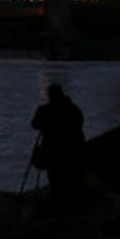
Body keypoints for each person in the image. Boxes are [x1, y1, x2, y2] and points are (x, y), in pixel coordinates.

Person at [31, 82, 87, 212]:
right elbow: (79, 123)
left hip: (54, 151)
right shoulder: (73, 109)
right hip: (74, 150)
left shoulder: (45, 110)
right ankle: (76, 204)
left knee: (56, 179)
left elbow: (35, 124)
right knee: (74, 177)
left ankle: (59, 205)